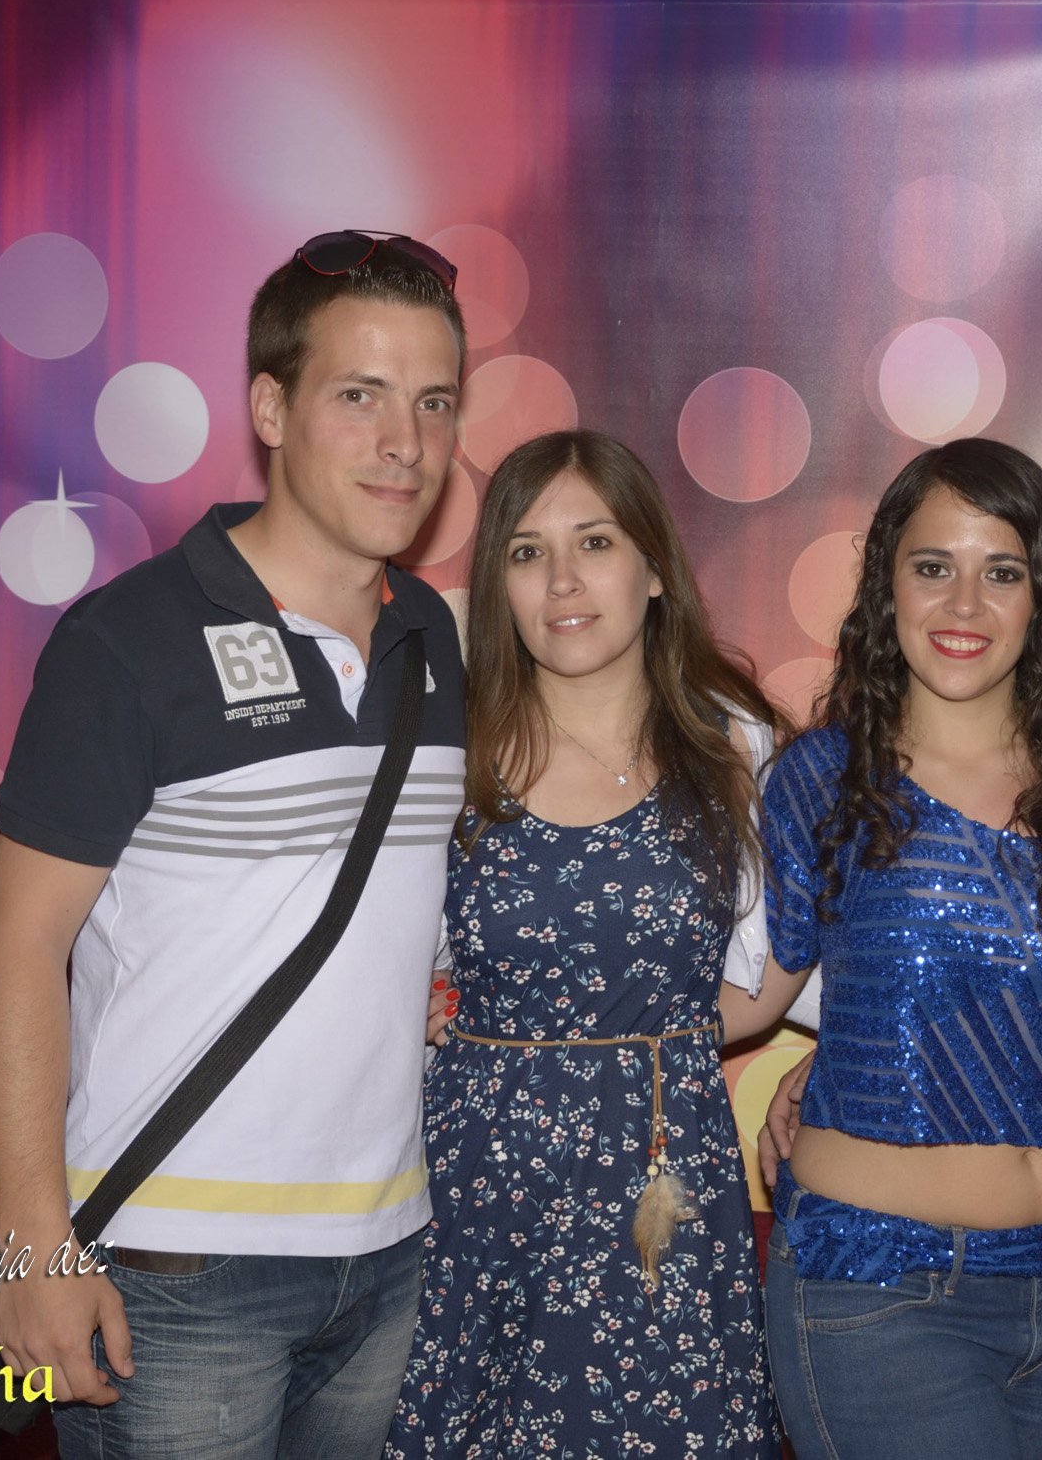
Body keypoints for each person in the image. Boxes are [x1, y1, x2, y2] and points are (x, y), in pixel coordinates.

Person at [0, 231, 470, 1459]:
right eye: (359, 396)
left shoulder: (437, 639)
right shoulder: (128, 640)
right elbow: (19, 945)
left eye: (433, 401)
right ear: (271, 408)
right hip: (174, 1261)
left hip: (388, 1250)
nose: (404, 442)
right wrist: (34, 1243)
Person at [732, 438, 1042, 1460]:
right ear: (887, 584)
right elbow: (744, 998)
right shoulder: (824, 778)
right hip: (878, 1294)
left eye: (1000, 572)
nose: (964, 603)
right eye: (933, 566)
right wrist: (508, 1009)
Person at [387, 430, 783, 1458]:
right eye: (526, 552)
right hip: (479, 1190)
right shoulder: (446, 752)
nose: (562, 579)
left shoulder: (733, 746)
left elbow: (773, 963)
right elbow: (379, 954)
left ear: (653, 568)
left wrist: (655, 1051)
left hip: (664, 1185)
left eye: (595, 542)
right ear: (498, 585)